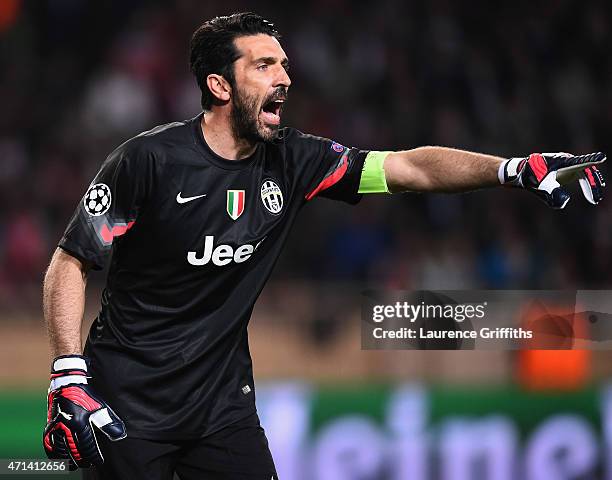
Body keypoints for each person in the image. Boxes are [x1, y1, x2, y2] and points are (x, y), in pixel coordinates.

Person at [42, 11, 606, 480]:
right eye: (264, 65)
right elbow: (71, 261)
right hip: (125, 404)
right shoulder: (148, 161)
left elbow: (411, 168)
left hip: (221, 408)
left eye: (284, 64)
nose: (284, 77)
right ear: (219, 85)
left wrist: (513, 169)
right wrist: (68, 373)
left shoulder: (296, 160)